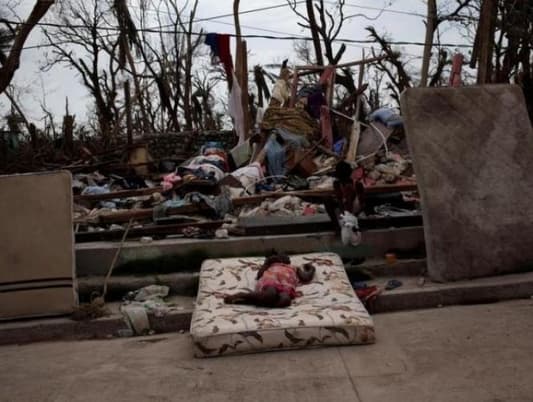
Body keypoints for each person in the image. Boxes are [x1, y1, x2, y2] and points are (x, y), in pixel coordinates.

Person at [224, 254, 315, 308]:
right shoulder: (272, 265)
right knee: (270, 294)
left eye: (287, 257)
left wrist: (311, 268)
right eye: (281, 256)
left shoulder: (295, 268)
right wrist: (267, 263)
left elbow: (306, 278)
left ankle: (249, 301)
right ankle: (241, 295)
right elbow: (259, 275)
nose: (285, 258)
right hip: (271, 281)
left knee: (285, 300)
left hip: (286, 286)